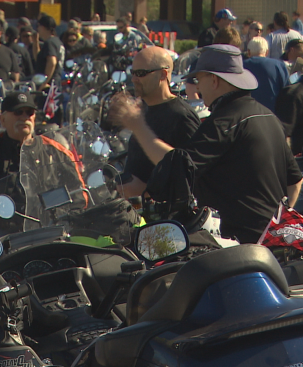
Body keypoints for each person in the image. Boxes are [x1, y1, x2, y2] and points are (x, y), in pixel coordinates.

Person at [110, 44, 302, 243]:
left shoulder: (223, 123)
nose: (197, 87)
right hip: (270, 242)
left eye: (198, 79)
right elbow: (295, 181)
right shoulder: (268, 116)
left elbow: (179, 166)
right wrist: (274, 225)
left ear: (214, 80)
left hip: (238, 244)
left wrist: (137, 125)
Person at [118, 46, 200, 198]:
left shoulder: (181, 116)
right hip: (135, 214)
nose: (134, 79)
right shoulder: (142, 109)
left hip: (164, 219)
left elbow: (192, 177)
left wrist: (147, 192)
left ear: (163, 74)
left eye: (141, 73)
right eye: (133, 73)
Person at [243, 36, 288, 112]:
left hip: (247, 113)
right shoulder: (278, 65)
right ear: (267, 52)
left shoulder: (241, 66)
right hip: (273, 114)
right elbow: (286, 91)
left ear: (248, 51)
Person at [35, 13, 65, 89]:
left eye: (39, 26)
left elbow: (52, 62)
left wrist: (45, 82)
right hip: (56, 83)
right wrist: (35, 42)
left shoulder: (50, 43)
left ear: (44, 27)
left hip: (49, 86)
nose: (37, 29)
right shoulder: (58, 42)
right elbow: (38, 58)